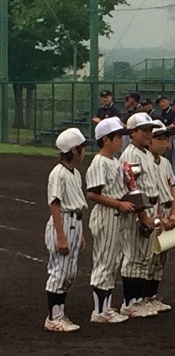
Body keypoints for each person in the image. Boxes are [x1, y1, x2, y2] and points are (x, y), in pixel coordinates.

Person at [86, 118, 133, 324]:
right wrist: (118, 204)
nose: (122, 140)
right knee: (105, 261)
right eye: (118, 136)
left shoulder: (115, 161)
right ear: (106, 139)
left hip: (117, 215)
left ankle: (106, 307)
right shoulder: (99, 162)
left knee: (113, 261)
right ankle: (100, 311)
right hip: (106, 215)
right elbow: (93, 194)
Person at [119, 113, 163, 318]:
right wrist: (143, 216)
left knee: (146, 257)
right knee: (134, 257)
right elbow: (132, 187)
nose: (148, 134)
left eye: (150, 130)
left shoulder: (145, 153)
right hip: (140, 210)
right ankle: (130, 302)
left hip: (151, 208)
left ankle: (140, 300)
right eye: (143, 130)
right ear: (132, 132)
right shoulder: (131, 155)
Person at [43, 128, 88, 332]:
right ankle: (54, 317)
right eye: (82, 147)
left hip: (74, 223)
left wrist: (80, 234)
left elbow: (77, 203)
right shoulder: (58, 173)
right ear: (73, 149)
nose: (84, 151)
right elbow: (55, 204)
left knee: (69, 273)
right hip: (63, 223)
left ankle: (59, 313)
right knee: (59, 272)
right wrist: (61, 236)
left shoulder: (75, 173)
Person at [146, 120, 175, 311]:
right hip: (155, 213)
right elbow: (153, 191)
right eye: (160, 139)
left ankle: (153, 296)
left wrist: (173, 213)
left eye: (166, 139)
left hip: (167, 211)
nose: (164, 143)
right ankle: (144, 297)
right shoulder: (147, 161)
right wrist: (161, 217)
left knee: (162, 256)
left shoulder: (165, 162)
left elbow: (171, 188)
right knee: (150, 254)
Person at [154, 95, 175, 161]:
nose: (161, 104)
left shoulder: (172, 112)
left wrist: (170, 142)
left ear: (167, 101)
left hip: (170, 139)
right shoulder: (163, 113)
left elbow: (173, 127)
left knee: (168, 160)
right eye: (159, 103)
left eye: (162, 101)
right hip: (162, 139)